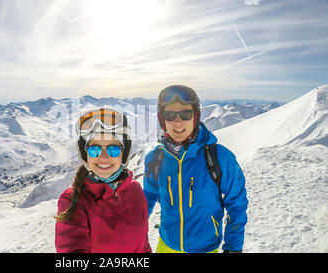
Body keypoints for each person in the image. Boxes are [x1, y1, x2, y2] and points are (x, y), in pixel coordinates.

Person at [143, 85, 248, 253]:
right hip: (166, 246)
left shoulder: (220, 157)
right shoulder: (155, 158)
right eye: (170, 115)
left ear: (195, 116)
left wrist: (233, 247)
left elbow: (237, 203)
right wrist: (132, 233)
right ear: (163, 120)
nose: (177, 122)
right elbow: (147, 198)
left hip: (206, 248)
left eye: (185, 114)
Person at [55, 107, 152, 253]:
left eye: (113, 149)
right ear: (85, 153)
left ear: (124, 154)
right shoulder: (72, 200)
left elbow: (143, 245)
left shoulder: (135, 190)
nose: (104, 157)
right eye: (95, 149)